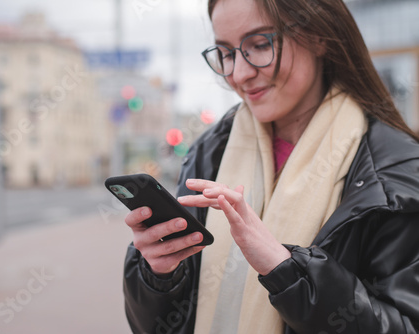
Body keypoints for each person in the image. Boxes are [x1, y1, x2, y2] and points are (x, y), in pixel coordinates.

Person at [122, 0, 419, 333]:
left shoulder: (395, 171)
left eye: (260, 45)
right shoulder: (210, 151)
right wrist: (158, 274)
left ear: (319, 36)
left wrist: (286, 271)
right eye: (227, 53)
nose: (239, 73)